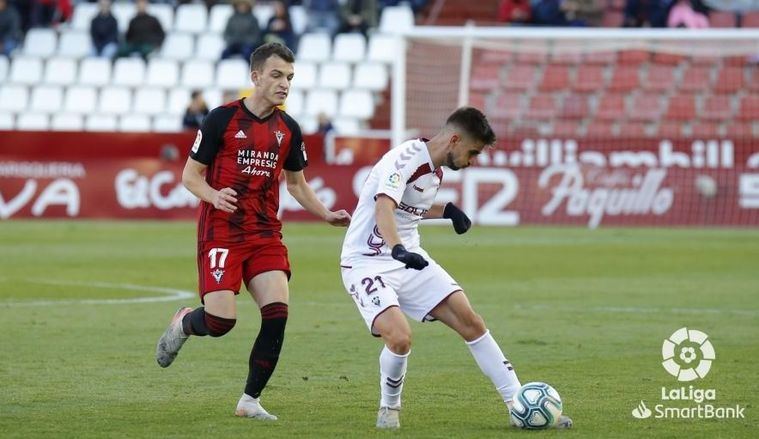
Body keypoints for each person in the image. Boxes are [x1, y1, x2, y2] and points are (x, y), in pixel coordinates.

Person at [338, 107, 573, 430]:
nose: (472, 160)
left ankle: (519, 403)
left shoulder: (434, 172)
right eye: (473, 152)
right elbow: (384, 208)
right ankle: (389, 408)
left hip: (409, 258)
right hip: (366, 262)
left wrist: (448, 210)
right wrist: (398, 249)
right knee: (400, 337)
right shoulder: (405, 157)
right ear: (454, 139)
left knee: (471, 322)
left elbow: (410, 210)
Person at [155, 42, 351, 421]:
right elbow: (189, 176)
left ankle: (250, 400)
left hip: (264, 233)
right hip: (222, 232)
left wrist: (325, 214)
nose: (284, 84)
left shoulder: (289, 129)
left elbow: (297, 185)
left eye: (290, 78)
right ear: (256, 76)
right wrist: (213, 195)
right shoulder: (220, 119)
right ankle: (184, 321)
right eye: (277, 75)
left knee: (277, 312)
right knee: (220, 322)